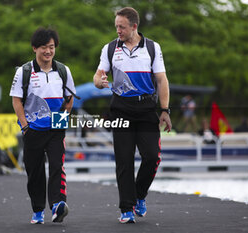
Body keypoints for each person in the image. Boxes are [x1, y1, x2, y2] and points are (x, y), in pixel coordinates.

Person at [93, 7, 172, 223]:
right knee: (124, 161)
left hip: (147, 109)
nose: (118, 30)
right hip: (120, 109)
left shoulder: (152, 48)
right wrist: (99, 82)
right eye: (116, 26)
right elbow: (99, 75)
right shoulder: (110, 48)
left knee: (152, 156)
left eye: (122, 27)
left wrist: (164, 110)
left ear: (134, 26)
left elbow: (162, 80)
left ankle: (139, 195)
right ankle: (126, 208)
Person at [10, 28, 76, 224]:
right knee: (35, 172)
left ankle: (57, 205)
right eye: (44, 47)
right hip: (32, 130)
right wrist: (25, 125)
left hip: (56, 128)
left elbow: (69, 98)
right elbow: (16, 101)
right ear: (34, 48)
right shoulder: (24, 71)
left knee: (57, 166)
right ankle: (38, 210)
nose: (48, 51)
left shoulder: (63, 70)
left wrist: (63, 119)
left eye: (52, 47)